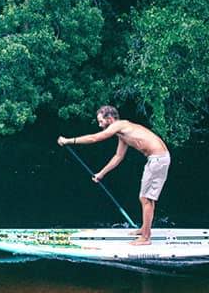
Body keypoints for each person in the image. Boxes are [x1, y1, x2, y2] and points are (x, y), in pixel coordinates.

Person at [57, 105, 170, 245]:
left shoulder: (119, 125)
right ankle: (144, 229)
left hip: (158, 159)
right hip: (157, 159)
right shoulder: (123, 133)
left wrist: (69, 140)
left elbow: (95, 138)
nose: (99, 125)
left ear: (110, 119)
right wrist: (101, 174)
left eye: (101, 121)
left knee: (146, 199)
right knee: (146, 198)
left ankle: (146, 238)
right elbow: (118, 156)